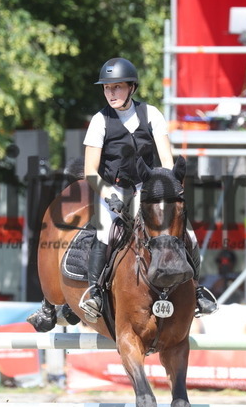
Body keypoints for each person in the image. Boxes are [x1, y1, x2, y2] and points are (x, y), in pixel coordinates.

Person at [80, 57, 217, 322]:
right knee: (104, 232)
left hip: (148, 187)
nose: (111, 93)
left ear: (131, 87)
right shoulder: (100, 121)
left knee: (187, 232)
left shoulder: (151, 113)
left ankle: (197, 290)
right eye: (107, 88)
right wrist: (108, 196)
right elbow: (89, 171)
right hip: (113, 189)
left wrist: (165, 187)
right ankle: (95, 293)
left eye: (117, 87)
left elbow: (167, 160)